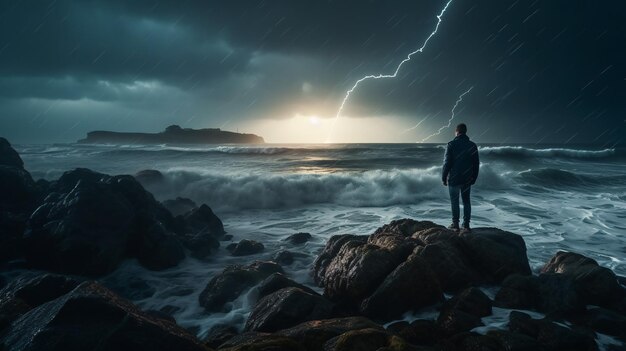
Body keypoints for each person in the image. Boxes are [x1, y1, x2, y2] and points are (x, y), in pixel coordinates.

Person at [441, 123, 479, 233]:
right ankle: (466, 225)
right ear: (465, 132)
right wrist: (474, 177)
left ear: (456, 132)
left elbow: (447, 163)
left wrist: (444, 177)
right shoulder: (472, 145)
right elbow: (476, 164)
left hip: (454, 178)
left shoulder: (451, 144)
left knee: (454, 201)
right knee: (466, 201)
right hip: (467, 178)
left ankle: (455, 225)